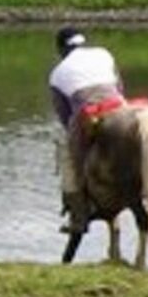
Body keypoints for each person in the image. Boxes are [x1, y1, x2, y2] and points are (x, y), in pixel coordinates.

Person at [48, 25, 127, 221]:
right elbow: (120, 86)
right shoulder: (103, 53)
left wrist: (76, 134)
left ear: (61, 49)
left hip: (88, 113)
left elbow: (64, 115)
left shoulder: (57, 74)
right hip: (119, 106)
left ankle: (79, 212)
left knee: (69, 157)